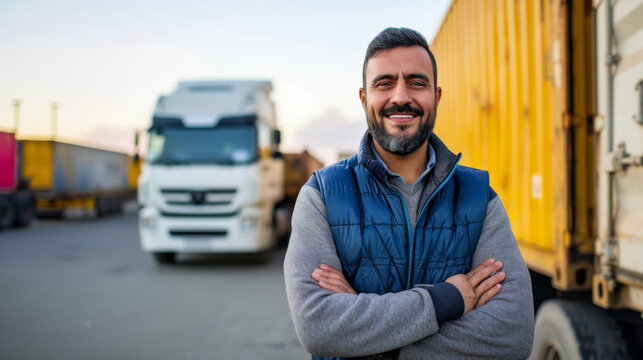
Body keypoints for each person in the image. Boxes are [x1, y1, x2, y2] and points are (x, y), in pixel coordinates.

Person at [284, 27, 534, 360]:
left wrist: (370, 341)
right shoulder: (322, 195)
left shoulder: (479, 197)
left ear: (437, 97)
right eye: (384, 83)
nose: (400, 97)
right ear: (363, 99)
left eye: (416, 83)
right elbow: (319, 327)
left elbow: (512, 334)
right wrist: (447, 300)